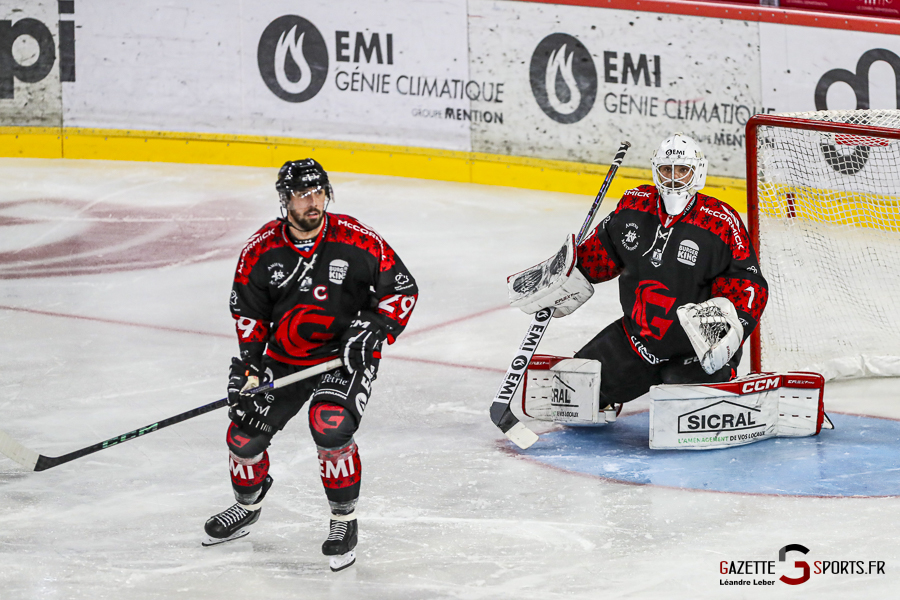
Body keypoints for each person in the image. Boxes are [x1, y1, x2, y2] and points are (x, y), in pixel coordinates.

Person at [203, 158, 418, 572]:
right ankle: (247, 506)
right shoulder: (260, 251)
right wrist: (249, 368)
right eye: (302, 195)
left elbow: (402, 291)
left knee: (330, 425)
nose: (312, 202)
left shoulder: (357, 240)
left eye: (318, 192)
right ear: (285, 200)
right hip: (285, 358)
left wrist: (372, 329)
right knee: (243, 438)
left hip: (344, 357)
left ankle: (343, 522)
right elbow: (249, 315)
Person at [510, 133, 768, 409]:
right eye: (666, 169)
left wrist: (731, 331)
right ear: (656, 170)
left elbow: (748, 285)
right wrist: (567, 273)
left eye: (682, 170)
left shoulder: (720, 222)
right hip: (638, 339)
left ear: (697, 172)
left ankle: (712, 383)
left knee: (682, 406)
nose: (673, 178)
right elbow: (598, 256)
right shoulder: (635, 206)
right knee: (573, 394)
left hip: (696, 348)